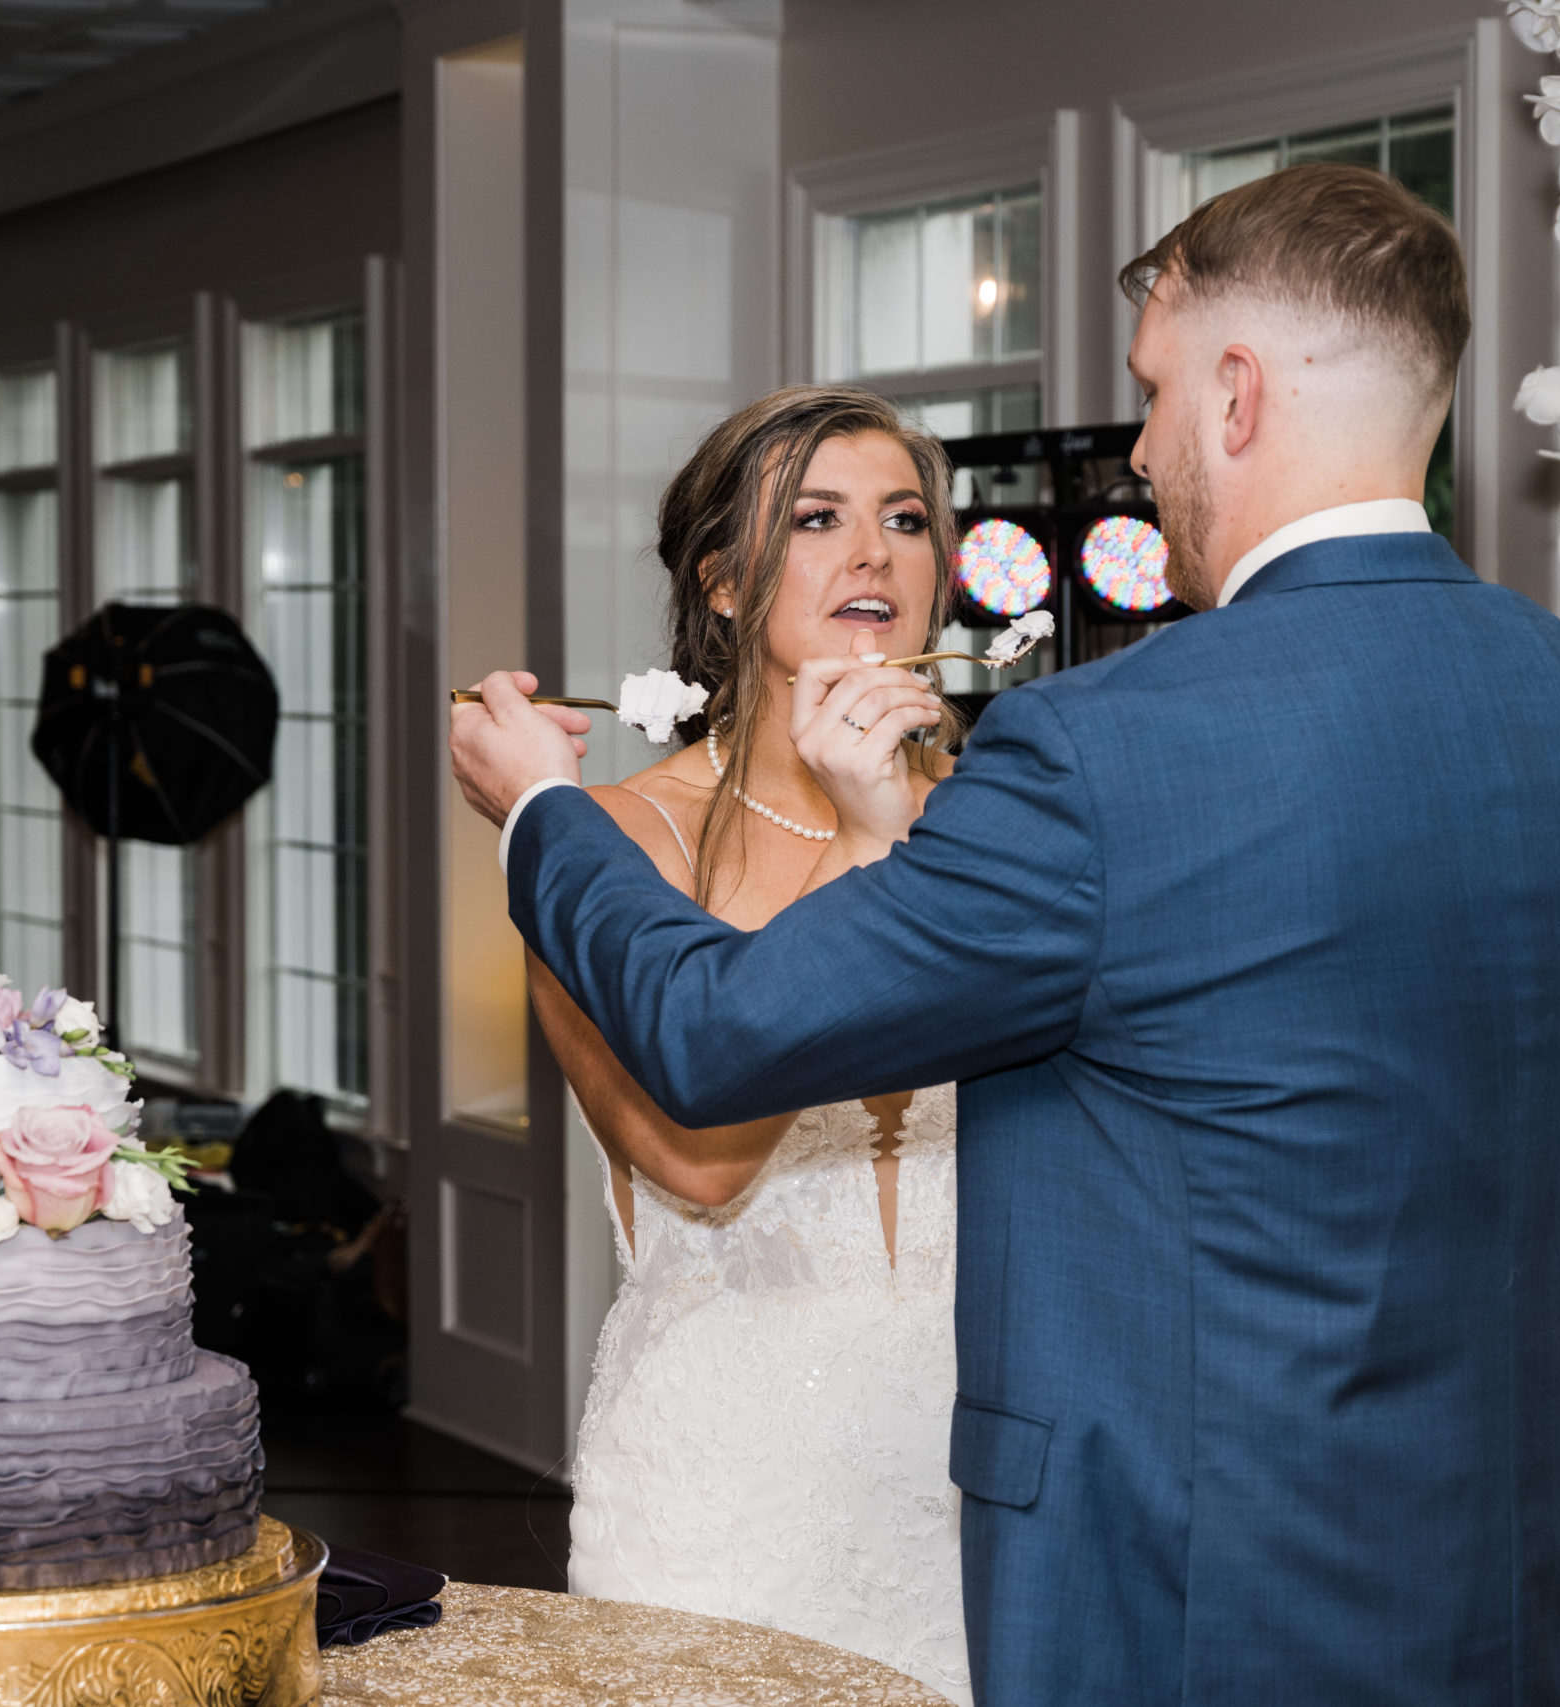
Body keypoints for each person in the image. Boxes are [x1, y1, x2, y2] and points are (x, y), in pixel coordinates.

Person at [453, 162, 1560, 1705]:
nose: (1137, 449)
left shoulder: (1099, 749)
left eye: (1153, 391)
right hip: (1528, 1595)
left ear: (1238, 394)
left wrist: (539, 813)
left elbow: (718, 1034)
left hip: (1204, 1600)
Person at [543, 386, 971, 1702]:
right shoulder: (613, 842)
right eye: (820, 519)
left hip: (977, 1494)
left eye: (905, 518)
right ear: (723, 582)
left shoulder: (1004, 817)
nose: (875, 556)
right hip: (726, 1498)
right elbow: (699, 1159)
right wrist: (859, 846)